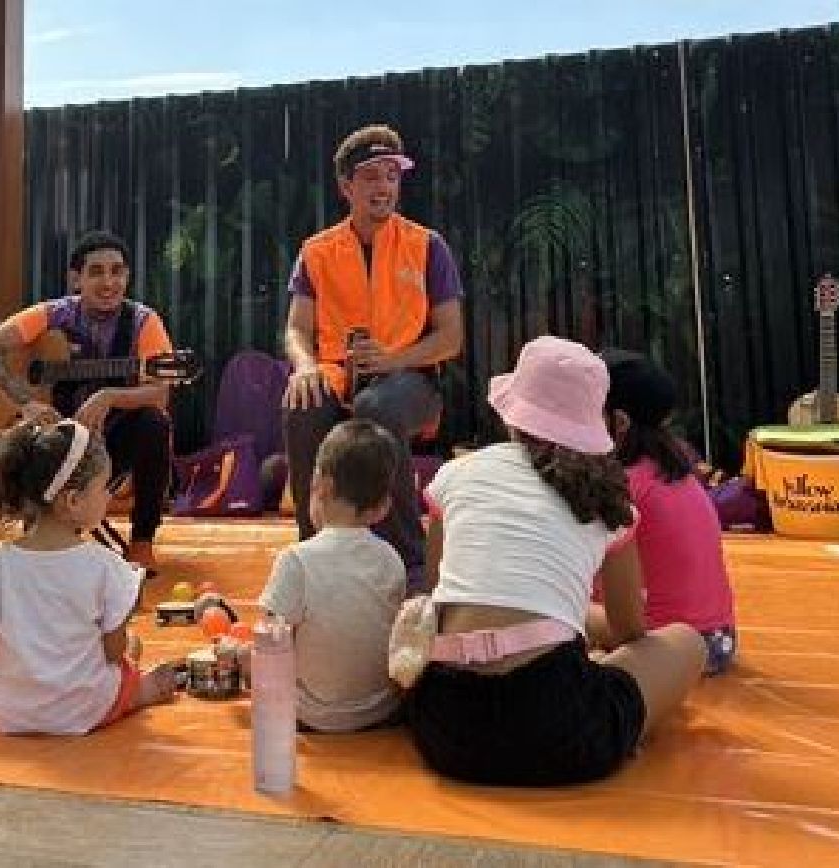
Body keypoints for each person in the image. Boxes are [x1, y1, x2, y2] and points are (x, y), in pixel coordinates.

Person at [410, 336, 706, 786]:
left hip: (445, 725)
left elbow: (437, 598)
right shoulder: (608, 502)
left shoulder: (456, 475)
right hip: (558, 731)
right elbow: (630, 631)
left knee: (560, 619)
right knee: (688, 642)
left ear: (511, 414)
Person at [281, 123, 464, 593]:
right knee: (302, 404)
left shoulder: (428, 246)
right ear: (346, 187)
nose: (383, 186)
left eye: (391, 176)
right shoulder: (316, 251)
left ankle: (410, 559)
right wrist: (303, 366)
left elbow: (451, 338)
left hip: (411, 378)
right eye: (371, 177)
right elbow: (296, 330)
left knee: (378, 408)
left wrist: (393, 358)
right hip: (337, 374)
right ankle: (314, 548)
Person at [0, 419, 177, 735]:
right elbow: (112, 652)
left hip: (8, 714)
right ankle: (141, 693)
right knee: (125, 660)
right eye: (105, 488)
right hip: (81, 710)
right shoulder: (105, 565)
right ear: (72, 500)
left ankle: (20, 700)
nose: (109, 498)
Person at [0, 230, 173, 568]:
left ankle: (141, 542)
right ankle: (34, 533)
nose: (108, 282)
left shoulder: (143, 322)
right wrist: (25, 401)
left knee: (155, 423)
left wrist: (110, 397)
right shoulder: (53, 315)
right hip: (54, 438)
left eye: (117, 271)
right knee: (17, 442)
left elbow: (159, 392)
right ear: (75, 279)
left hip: (110, 440)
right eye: (96, 272)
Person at [591, 349, 737, 675]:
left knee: (553, 611)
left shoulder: (621, 484)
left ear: (619, 422)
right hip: (718, 638)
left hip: (665, 646)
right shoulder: (674, 468)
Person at [259, 420, 407, 732]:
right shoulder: (392, 560)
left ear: (319, 485)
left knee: (258, 654)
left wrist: (234, 659)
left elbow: (269, 648)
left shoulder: (296, 560)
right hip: (381, 711)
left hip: (314, 715)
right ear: (382, 508)